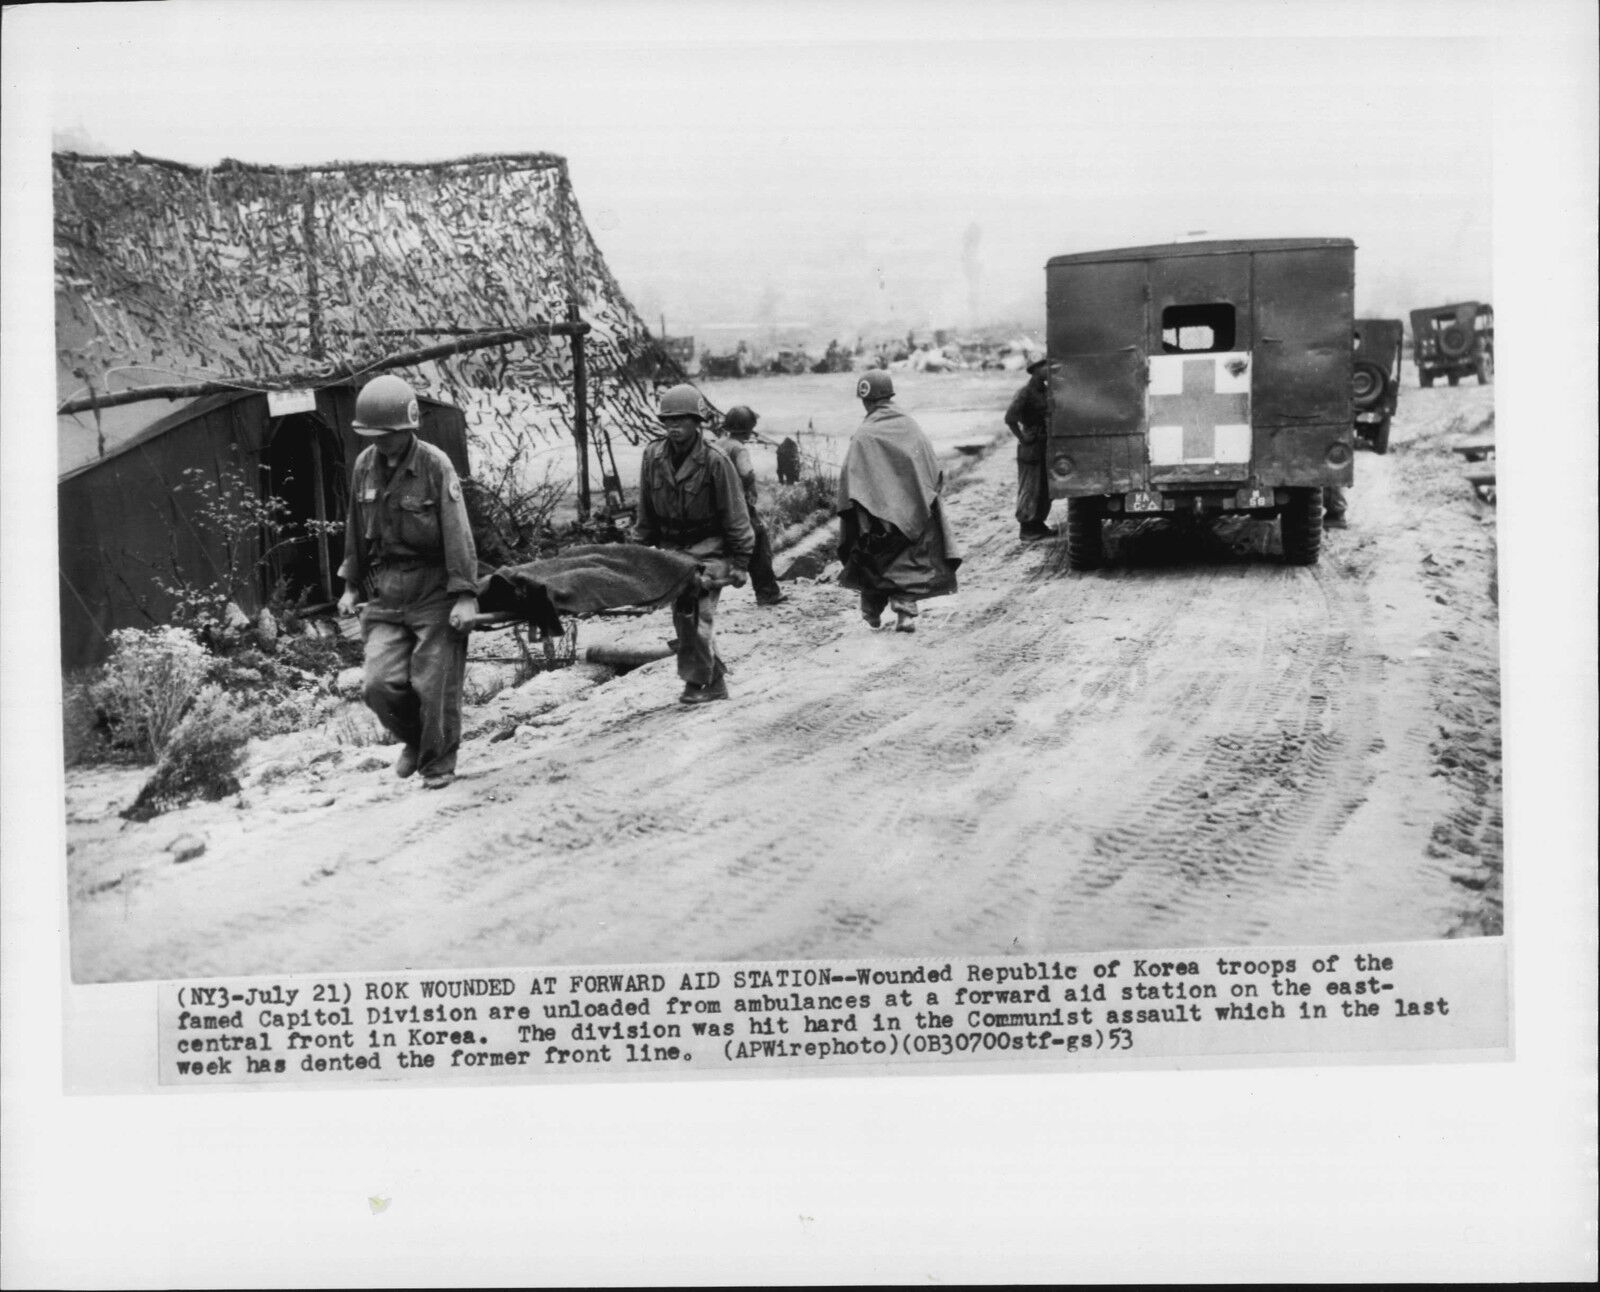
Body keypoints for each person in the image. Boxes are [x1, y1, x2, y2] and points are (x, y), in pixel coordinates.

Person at [336, 374, 478, 788]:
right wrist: (350, 585)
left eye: (386, 435)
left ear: (406, 428)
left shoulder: (434, 465)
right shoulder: (365, 466)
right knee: (378, 684)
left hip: (435, 588)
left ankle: (437, 764)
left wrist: (465, 595)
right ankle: (416, 741)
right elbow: (354, 526)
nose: (379, 443)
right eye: (372, 435)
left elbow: (458, 533)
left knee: (433, 683)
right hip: (387, 588)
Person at [633, 384, 755, 704]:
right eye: (668, 421)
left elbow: (736, 514)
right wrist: (635, 552)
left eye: (681, 421)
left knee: (694, 613)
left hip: (710, 550)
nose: (673, 428)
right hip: (673, 554)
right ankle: (711, 676)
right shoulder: (653, 456)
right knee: (684, 618)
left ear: (697, 421)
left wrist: (741, 563)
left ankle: (703, 683)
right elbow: (645, 511)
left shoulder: (715, 461)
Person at [836, 370, 962, 634]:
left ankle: (871, 613)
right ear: (890, 395)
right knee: (909, 561)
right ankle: (905, 613)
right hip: (914, 514)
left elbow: (852, 482)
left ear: (866, 401)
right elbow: (932, 470)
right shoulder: (910, 426)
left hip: (878, 519)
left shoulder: (864, 435)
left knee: (871, 560)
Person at [714, 406, 786, 606]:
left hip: (718, 505)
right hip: (738, 504)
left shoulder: (717, 444)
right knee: (759, 540)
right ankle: (768, 592)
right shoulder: (738, 448)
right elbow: (746, 473)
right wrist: (749, 490)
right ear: (748, 428)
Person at [1005, 357, 1054, 540]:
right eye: (1044, 366)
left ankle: (1038, 524)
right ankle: (1027, 527)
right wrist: (1023, 437)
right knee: (1030, 486)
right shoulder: (1025, 392)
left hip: (1045, 443)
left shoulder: (1046, 391)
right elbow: (1010, 418)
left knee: (1044, 486)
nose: (1048, 368)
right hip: (1032, 445)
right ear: (1034, 370)